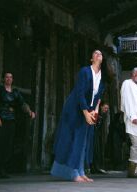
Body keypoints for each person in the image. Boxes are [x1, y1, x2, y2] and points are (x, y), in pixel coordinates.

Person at [51, 50, 111, 182]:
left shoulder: (102, 77)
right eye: (95, 53)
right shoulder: (85, 71)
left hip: (88, 110)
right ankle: (72, 173)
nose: (98, 54)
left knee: (84, 141)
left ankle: (81, 171)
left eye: (100, 53)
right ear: (91, 59)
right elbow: (79, 93)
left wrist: (95, 111)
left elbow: (98, 97)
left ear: (102, 59)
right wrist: (85, 112)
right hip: (75, 108)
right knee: (74, 139)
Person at [0, 72, 35, 178]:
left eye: (10, 77)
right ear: (3, 79)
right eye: (7, 77)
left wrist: (30, 112)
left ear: (12, 80)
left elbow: (22, 103)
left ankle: (3, 169)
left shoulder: (15, 92)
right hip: (0, 120)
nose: (8, 79)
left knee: (7, 145)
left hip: (11, 121)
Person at [91, 102, 110, 174]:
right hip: (94, 134)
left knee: (99, 150)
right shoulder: (97, 113)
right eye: (105, 108)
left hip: (99, 134)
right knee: (95, 150)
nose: (106, 109)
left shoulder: (103, 115)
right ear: (101, 107)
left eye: (107, 108)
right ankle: (94, 167)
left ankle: (98, 167)